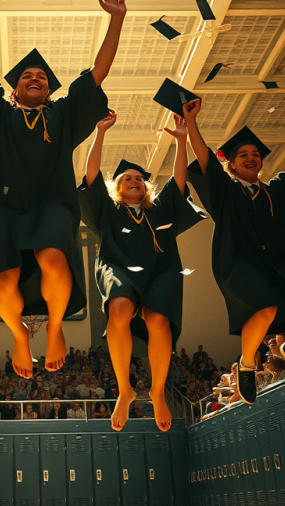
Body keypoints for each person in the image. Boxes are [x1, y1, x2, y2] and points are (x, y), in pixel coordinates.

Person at [0, 0, 125, 379]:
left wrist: (116, 20)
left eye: (41, 76)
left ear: (48, 89)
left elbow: (97, 73)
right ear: (15, 89)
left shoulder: (62, 115)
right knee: (2, 282)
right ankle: (19, 336)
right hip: (0, 207)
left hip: (51, 203)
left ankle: (56, 328)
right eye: (26, 75)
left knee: (54, 258)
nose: (34, 78)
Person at [185, 92, 285, 404]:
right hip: (242, 263)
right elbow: (205, 160)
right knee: (264, 310)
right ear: (231, 164)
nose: (250, 157)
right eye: (242, 154)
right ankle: (246, 366)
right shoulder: (226, 192)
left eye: (255, 154)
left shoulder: (279, 190)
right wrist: (192, 122)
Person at [79, 111, 204, 431]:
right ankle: (125, 390)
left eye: (139, 178)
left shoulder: (159, 208)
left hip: (161, 270)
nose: (134, 180)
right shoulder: (108, 211)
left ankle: (158, 391)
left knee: (159, 320)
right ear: (117, 187)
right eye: (126, 178)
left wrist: (181, 141)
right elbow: (91, 176)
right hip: (118, 267)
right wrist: (99, 133)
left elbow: (179, 180)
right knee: (119, 307)